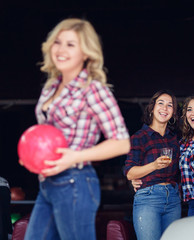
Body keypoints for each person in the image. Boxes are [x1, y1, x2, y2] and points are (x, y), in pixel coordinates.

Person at [22, 18, 130, 240]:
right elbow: (46, 136)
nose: (61, 49)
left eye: (71, 44)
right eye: (57, 42)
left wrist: (75, 157)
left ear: (86, 53)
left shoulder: (93, 90)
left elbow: (122, 142)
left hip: (74, 182)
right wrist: (32, 156)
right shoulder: (52, 87)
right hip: (47, 182)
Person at [125, 90, 194, 240]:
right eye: (160, 103)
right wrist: (153, 166)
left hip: (174, 198)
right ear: (152, 108)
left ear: (174, 112)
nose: (164, 108)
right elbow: (130, 172)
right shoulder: (139, 137)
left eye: (170, 105)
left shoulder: (177, 138)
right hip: (148, 198)